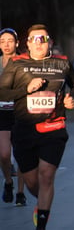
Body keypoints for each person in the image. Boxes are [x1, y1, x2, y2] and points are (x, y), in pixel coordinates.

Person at [0, 24, 74, 230]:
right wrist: (25, 89)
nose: (39, 43)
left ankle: (41, 225)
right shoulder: (16, 64)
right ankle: (42, 202)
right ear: (27, 43)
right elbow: (2, 93)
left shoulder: (62, 63)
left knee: (46, 176)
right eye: (34, 39)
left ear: (50, 43)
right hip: (24, 131)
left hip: (53, 128)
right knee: (31, 183)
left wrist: (72, 98)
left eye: (43, 40)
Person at [0, 28, 27, 206]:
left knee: (21, 154)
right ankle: (8, 182)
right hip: (2, 113)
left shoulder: (25, 63)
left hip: (21, 112)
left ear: (17, 43)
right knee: (4, 154)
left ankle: (20, 193)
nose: (6, 44)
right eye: (2, 41)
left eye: (10, 40)